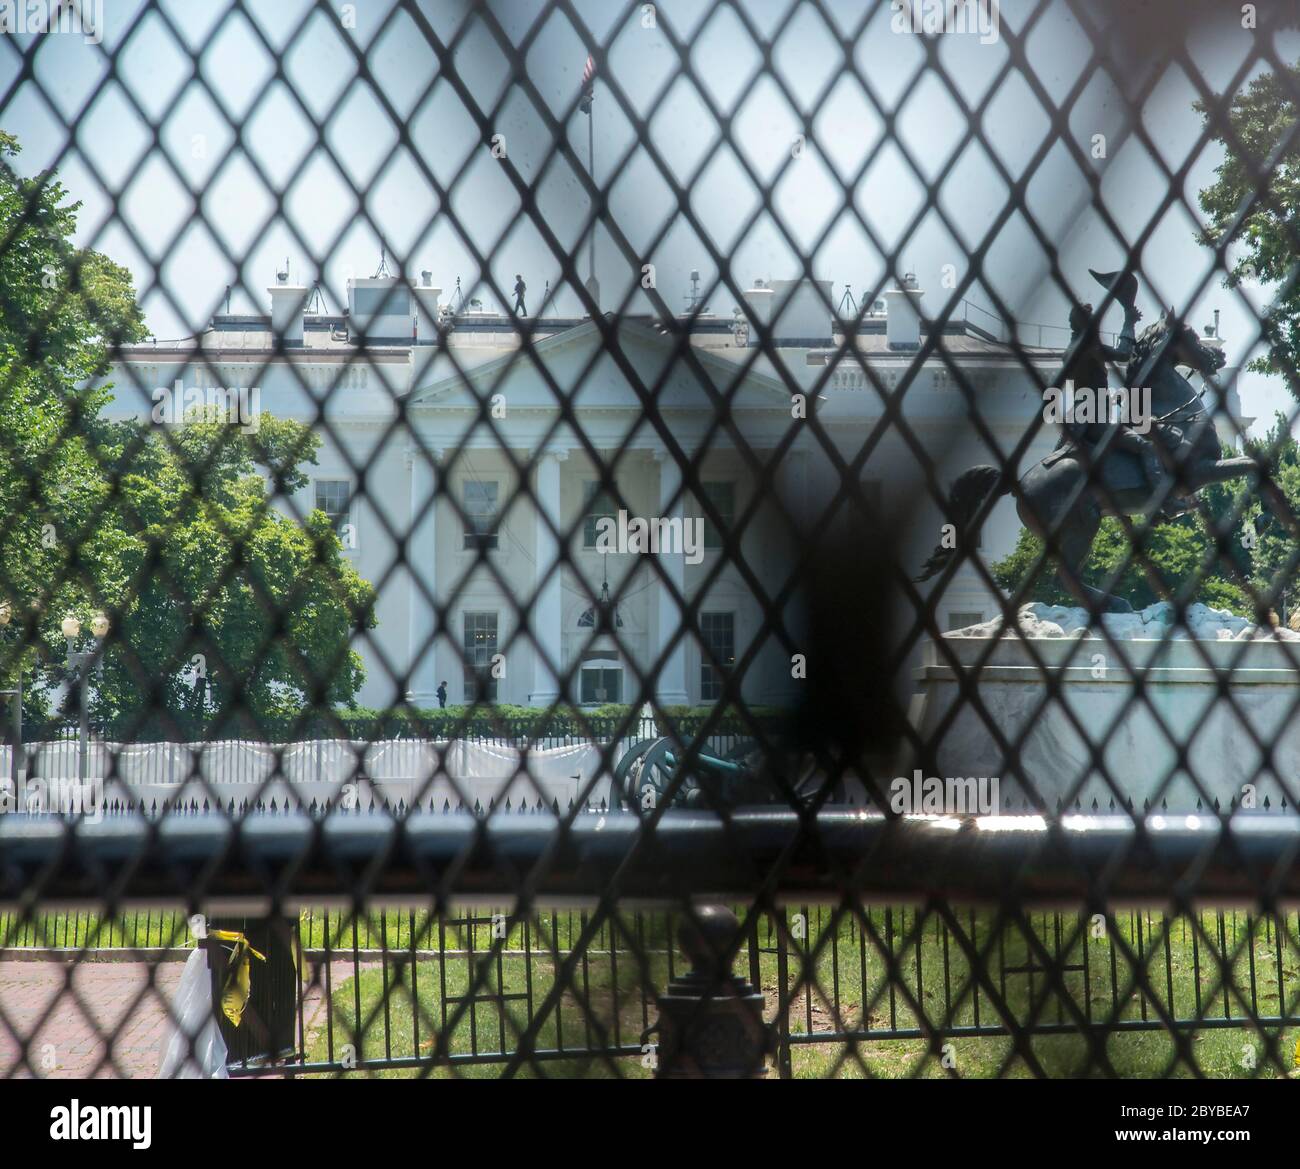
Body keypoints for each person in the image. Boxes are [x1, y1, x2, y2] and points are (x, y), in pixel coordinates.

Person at [1056, 271, 1181, 519]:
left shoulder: (1070, 349)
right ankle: (1162, 504)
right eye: (1091, 319)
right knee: (1146, 448)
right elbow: (1124, 354)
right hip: (1095, 420)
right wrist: (1128, 320)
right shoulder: (1087, 346)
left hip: (1082, 415)